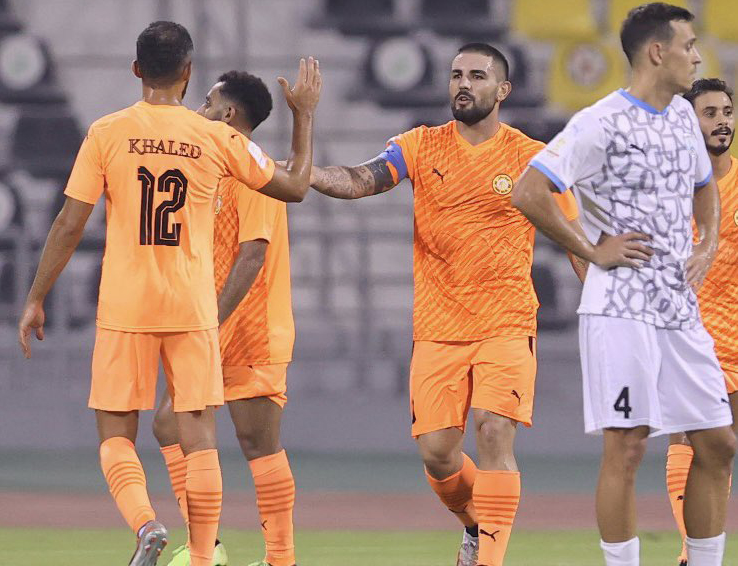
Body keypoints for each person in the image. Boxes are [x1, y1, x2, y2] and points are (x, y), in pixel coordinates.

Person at [17, 21, 320, 566]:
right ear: (186, 72)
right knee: (197, 431)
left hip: (126, 305)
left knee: (116, 431)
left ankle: (147, 524)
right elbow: (296, 187)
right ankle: (204, 556)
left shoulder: (106, 132)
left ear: (136, 70)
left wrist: (37, 296)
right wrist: (304, 116)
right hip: (193, 307)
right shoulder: (217, 139)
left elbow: (68, 223)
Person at [310, 42, 582, 566]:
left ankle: (490, 561)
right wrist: (306, 172)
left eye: (477, 76)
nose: (463, 84)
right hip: (438, 327)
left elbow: (575, 238)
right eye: (456, 74)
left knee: (494, 429)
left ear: (502, 90)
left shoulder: (532, 157)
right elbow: (364, 179)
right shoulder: (419, 145)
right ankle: (475, 528)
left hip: (506, 319)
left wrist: (603, 305)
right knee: (438, 456)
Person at [511, 4, 736, 565]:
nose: (697, 55)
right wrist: (591, 249)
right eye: (688, 45)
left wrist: (706, 244)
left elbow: (704, 186)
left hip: (678, 308)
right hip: (620, 309)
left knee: (717, 442)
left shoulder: (684, 118)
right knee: (628, 444)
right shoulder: (600, 122)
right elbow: (529, 190)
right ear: (657, 52)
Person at [152, 70, 296, 566]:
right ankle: (205, 549)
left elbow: (252, 255)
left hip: (252, 326)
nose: (199, 110)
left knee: (257, 441)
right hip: (213, 322)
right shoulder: (211, 168)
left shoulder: (254, 167)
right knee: (170, 426)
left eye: (208, 102)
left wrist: (209, 325)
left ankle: (278, 558)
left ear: (228, 115)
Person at [665, 77, 737, 566]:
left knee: (721, 453)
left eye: (727, 112)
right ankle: (694, 552)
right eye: (709, 113)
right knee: (692, 442)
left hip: (734, 335)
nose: (722, 122)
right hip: (688, 335)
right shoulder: (669, 188)